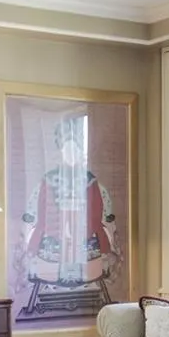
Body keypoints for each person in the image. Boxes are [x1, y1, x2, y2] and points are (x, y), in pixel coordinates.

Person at [20, 114, 120, 300]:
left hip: (85, 235)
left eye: (75, 149)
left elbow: (102, 212)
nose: (71, 154)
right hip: (54, 235)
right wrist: (33, 227)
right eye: (67, 149)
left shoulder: (90, 180)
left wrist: (104, 229)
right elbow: (36, 209)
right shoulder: (49, 179)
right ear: (61, 151)